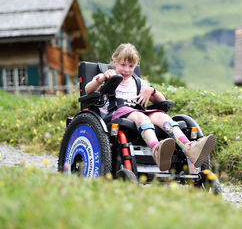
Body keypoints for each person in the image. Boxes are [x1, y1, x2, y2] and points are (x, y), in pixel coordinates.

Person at [85, 43, 216, 171]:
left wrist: (151, 90)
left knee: (161, 116)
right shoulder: (107, 76)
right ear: (114, 62)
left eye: (131, 66)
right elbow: (88, 90)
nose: (126, 69)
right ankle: (156, 150)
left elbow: (162, 101)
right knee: (141, 116)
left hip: (137, 112)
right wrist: (102, 78)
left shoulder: (138, 82)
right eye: (123, 64)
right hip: (115, 114)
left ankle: (189, 148)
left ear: (135, 65)